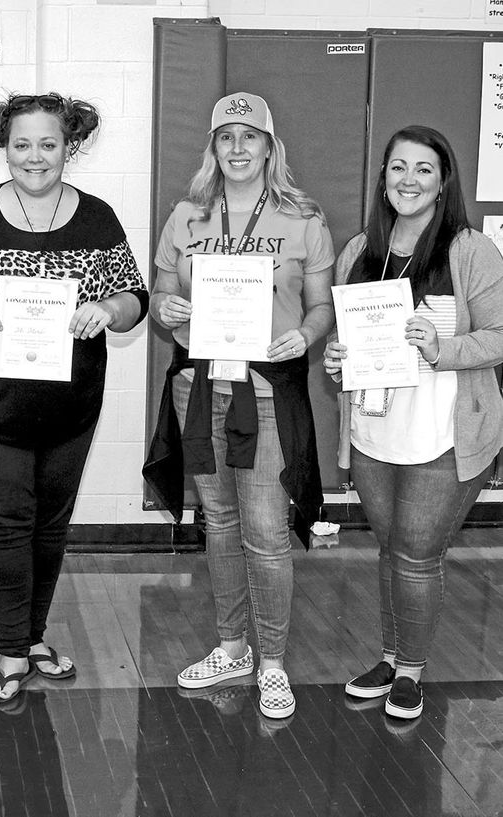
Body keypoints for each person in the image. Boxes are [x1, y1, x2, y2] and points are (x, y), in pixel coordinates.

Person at [0, 92, 148, 705]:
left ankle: (32, 636)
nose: (34, 156)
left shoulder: (97, 217)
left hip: (70, 407)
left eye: (48, 144)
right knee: (3, 524)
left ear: (68, 146)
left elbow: (135, 300)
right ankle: (10, 652)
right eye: (21, 144)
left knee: (49, 526)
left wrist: (107, 308)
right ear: (4, 147)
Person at [143, 92, 335, 719]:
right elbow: (164, 290)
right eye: (226, 137)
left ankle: (273, 662)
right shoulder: (188, 216)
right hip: (199, 387)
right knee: (219, 523)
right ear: (213, 148)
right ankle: (232, 648)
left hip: (266, 390)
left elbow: (321, 307)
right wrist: (168, 310)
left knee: (265, 531)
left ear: (270, 146)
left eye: (250, 136)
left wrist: (305, 337)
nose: (238, 148)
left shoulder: (302, 220)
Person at [323, 125, 503, 720]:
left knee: (419, 552)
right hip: (374, 431)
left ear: (444, 181)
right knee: (391, 547)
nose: (409, 180)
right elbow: (349, 344)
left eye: (424, 169)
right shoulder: (357, 252)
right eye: (398, 168)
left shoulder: (471, 250)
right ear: (383, 178)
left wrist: (440, 347)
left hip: (444, 433)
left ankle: (410, 673)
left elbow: (500, 337)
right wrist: (337, 359)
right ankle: (390, 654)